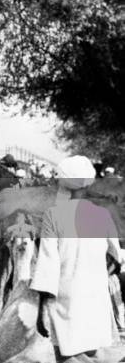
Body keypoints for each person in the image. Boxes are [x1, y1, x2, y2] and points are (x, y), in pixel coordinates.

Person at [31, 155, 122, 363]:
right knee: (95, 353)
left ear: (62, 183)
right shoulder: (102, 215)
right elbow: (117, 256)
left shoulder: (53, 215)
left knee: (67, 354)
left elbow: (48, 264)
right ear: (89, 181)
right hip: (96, 297)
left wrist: (42, 309)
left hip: (65, 300)